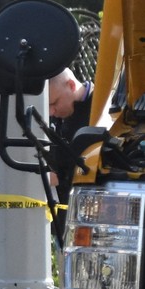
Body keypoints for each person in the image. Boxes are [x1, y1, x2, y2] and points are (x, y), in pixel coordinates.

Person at [46, 67, 93, 243]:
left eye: (54, 103)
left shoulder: (102, 108)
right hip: (61, 217)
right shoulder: (55, 116)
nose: (51, 111)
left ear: (71, 85)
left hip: (89, 214)